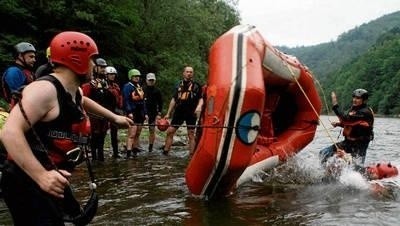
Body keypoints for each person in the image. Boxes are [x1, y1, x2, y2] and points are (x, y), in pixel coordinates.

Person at [0, 31, 132, 225]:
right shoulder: (43, 90)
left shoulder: (71, 89)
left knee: (76, 218)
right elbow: (9, 132)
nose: (95, 66)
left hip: (50, 174)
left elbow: (82, 100)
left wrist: (114, 118)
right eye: (92, 60)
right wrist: (41, 176)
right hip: (26, 178)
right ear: (77, 59)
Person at [319, 88, 374, 167]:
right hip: (347, 142)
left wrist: (335, 104)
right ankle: (325, 172)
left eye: (358, 98)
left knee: (355, 167)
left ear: (364, 100)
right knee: (323, 153)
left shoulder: (365, 112)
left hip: (359, 145)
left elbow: (345, 119)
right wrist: (338, 124)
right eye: (354, 97)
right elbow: (352, 124)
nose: (354, 100)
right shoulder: (353, 109)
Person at [162, 66, 203, 155]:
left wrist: (199, 107)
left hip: (191, 112)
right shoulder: (178, 85)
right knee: (170, 131)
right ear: (183, 73)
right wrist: (168, 113)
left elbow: (201, 99)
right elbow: (174, 99)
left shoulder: (197, 85)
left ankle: (191, 155)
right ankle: (165, 152)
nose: (189, 74)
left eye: (191, 72)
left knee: (191, 134)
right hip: (179, 111)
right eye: (187, 72)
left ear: (193, 74)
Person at [82, 57, 115, 161]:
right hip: (93, 116)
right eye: (101, 67)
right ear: (95, 68)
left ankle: (100, 158)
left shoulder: (106, 83)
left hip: (103, 114)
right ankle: (94, 158)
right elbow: (84, 98)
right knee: (94, 136)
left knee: (102, 136)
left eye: (104, 67)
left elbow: (112, 99)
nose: (103, 69)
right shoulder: (89, 83)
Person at [2, 41, 36, 108]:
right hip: (17, 110)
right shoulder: (13, 72)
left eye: (34, 57)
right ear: (20, 56)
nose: (34, 60)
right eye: (31, 57)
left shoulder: (29, 72)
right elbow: (16, 97)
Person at [122, 69, 148, 158]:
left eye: (138, 77)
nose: (137, 78)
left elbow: (143, 101)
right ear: (131, 77)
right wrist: (129, 112)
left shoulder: (138, 86)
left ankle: (135, 150)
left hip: (140, 112)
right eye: (135, 76)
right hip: (132, 112)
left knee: (138, 133)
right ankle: (128, 152)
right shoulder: (127, 87)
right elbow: (126, 100)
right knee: (132, 134)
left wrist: (145, 113)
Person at [105, 66, 123, 158]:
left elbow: (120, 97)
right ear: (106, 75)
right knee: (102, 132)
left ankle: (115, 152)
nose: (112, 76)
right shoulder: (103, 85)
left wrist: (120, 107)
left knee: (114, 133)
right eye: (110, 74)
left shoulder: (116, 86)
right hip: (105, 110)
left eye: (113, 74)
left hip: (114, 110)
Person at [143, 73, 163, 152]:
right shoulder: (142, 89)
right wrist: (144, 113)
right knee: (138, 130)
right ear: (146, 80)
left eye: (152, 80)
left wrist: (159, 113)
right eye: (149, 80)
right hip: (143, 112)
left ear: (154, 81)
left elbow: (160, 102)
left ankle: (150, 147)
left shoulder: (157, 91)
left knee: (152, 130)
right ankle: (135, 147)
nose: (151, 82)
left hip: (153, 112)